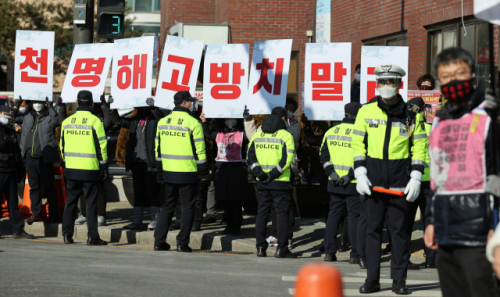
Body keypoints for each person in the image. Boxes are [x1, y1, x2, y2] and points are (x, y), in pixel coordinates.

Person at [424, 47, 499, 297]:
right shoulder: (441, 121)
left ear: (472, 76)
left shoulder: (489, 116)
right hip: (446, 228)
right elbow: (438, 178)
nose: (453, 80)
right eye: (446, 76)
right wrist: (432, 220)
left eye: (460, 73)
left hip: (482, 231)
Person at [352, 64, 427, 294]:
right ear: (377, 84)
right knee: (372, 233)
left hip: (400, 185)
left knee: (400, 234)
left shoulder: (412, 114)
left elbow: (420, 146)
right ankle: (372, 280)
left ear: (400, 85)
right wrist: (360, 173)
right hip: (372, 184)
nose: (386, 86)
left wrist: (416, 177)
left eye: (391, 82)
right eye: (382, 82)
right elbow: (357, 144)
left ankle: (399, 281)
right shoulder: (365, 111)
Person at [153, 91, 210, 252]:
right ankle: (182, 243)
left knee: (167, 207)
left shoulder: (162, 122)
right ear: (185, 103)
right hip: (187, 172)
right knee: (187, 207)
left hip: (168, 171)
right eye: (191, 101)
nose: (193, 104)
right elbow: (200, 151)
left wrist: (159, 171)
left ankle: (159, 241)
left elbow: (157, 149)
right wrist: (204, 172)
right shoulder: (193, 123)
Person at [244, 97, 301, 250]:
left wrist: (259, 173)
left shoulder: (259, 134)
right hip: (281, 180)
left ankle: (260, 247)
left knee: (262, 214)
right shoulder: (285, 135)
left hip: (262, 181)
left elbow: (250, 156)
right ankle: (282, 248)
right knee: (282, 214)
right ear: (283, 118)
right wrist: (274, 174)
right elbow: (287, 158)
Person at [103, 96, 161, 230]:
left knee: (153, 191)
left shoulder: (154, 120)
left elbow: (162, 120)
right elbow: (118, 122)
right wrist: (111, 107)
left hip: (149, 162)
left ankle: (155, 220)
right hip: (136, 161)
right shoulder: (135, 120)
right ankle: (137, 220)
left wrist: (155, 108)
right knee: (138, 192)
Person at [60, 90, 108, 246]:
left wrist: (67, 162)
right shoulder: (95, 121)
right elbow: (102, 146)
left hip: (72, 169)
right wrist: (104, 166)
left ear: (77, 102)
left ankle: (67, 235)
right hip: (90, 169)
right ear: (92, 103)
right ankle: (92, 236)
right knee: (90, 203)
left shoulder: (67, 122)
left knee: (70, 203)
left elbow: (62, 147)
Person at [320, 102, 362, 263]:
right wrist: (350, 175)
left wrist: (332, 173)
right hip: (353, 182)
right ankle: (355, 254)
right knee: (353, 218)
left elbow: (323, 156)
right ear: (358, 115)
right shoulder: (360, 132)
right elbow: (362, 157)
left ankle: (329, 253)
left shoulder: (331, 131)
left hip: (334, 182)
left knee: (333, 217)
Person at [12, 96, 61, 224]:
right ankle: (36, 213)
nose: (37, 104)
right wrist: (17, 105)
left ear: (44, 103)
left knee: (49, 186)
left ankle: (53, 215)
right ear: (31, 103)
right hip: (30, 157)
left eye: (40, 102)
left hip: (44, 158)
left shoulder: (49, 117)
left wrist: (51, 106)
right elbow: (12, 118)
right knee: (33, 187)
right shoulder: (28, 116)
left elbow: (57, 121)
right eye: (35, 102)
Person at [200, 115, 248, 236]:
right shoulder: (219, 133)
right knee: (225, 199)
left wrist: (248, 120)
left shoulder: (242, 133)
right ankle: (229, 223)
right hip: (222, 169)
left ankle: (237, 224)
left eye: (232, 118)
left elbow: (252, 135)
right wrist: (204, 122)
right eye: (226, 119)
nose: (230, 121)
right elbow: (207, 135)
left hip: (237, 169)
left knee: (235, 200)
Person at [405, 97, 436, 270]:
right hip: (429, 180)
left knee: (406, 221)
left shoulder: (406, 126)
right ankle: (431, 259)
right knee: (430, 221)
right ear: (423, 109)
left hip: (410, 180)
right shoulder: (432, 128)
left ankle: (404, 257)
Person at [0, 106, 34, 239]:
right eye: (6, 115)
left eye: (10, 116)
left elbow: (16, 151)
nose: (8, 118)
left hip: (11, 170)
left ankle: (18, 229)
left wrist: (20, 169)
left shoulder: (10, 130)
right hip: (1, 170)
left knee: (13, 202)